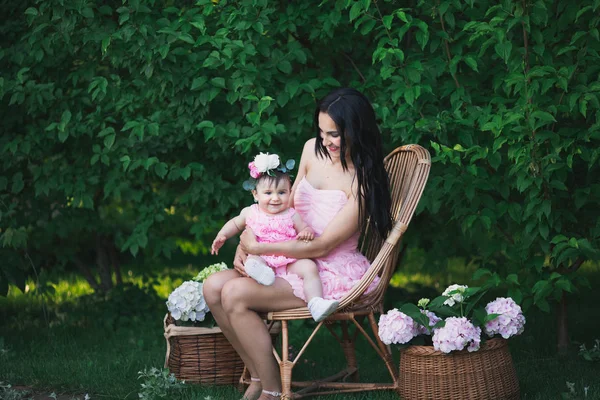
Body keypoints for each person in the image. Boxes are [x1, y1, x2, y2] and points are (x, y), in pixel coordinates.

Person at [203, 87, 392, 400]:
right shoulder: (311, 150)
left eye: (335, 134)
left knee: (234, 293)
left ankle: (273, 391)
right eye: (321, 132)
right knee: (212, 287)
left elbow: (321, 247)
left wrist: (258, 248)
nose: (326, 141)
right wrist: (250, 238)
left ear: (357, 131)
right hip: (284, 252)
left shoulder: (363, 181)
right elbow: (282, 206)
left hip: (326, 270)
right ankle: (257, 374)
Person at [210, 152, 340, 322]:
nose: (275, 198)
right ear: (256, 195)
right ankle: (261, 274)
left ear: (289, 192)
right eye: (268, 193)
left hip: (288, 260)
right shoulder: (251, 212)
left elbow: (305, 228)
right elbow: (235, 223)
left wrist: (306, 232)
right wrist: (222, 235)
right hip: (262, 256)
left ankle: (316, 302)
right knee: (253, 261)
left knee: (309, 267)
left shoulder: (292, 214)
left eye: (281, 192)